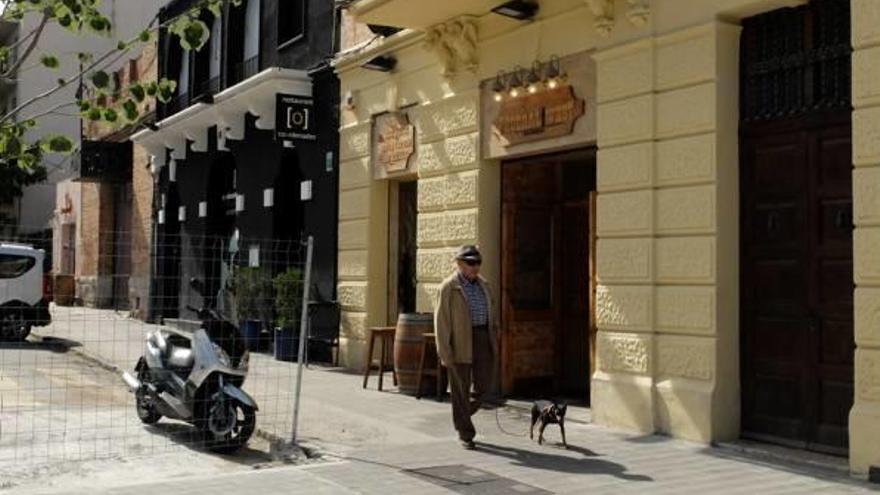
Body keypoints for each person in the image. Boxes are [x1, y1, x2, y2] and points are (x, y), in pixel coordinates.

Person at [434, 245, 499, 450]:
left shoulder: (484, 285)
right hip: (460, 340)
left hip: (482, 337)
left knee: (483, 385)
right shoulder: (448, 288)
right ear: (459, 263)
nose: (475, 267)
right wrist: (444, 351)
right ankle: (465, 433)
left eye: (478, 262)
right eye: (471, 263)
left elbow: (493, 312)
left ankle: (462, 412)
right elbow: (441, 321)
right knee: (460, 388)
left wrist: (495, 335)